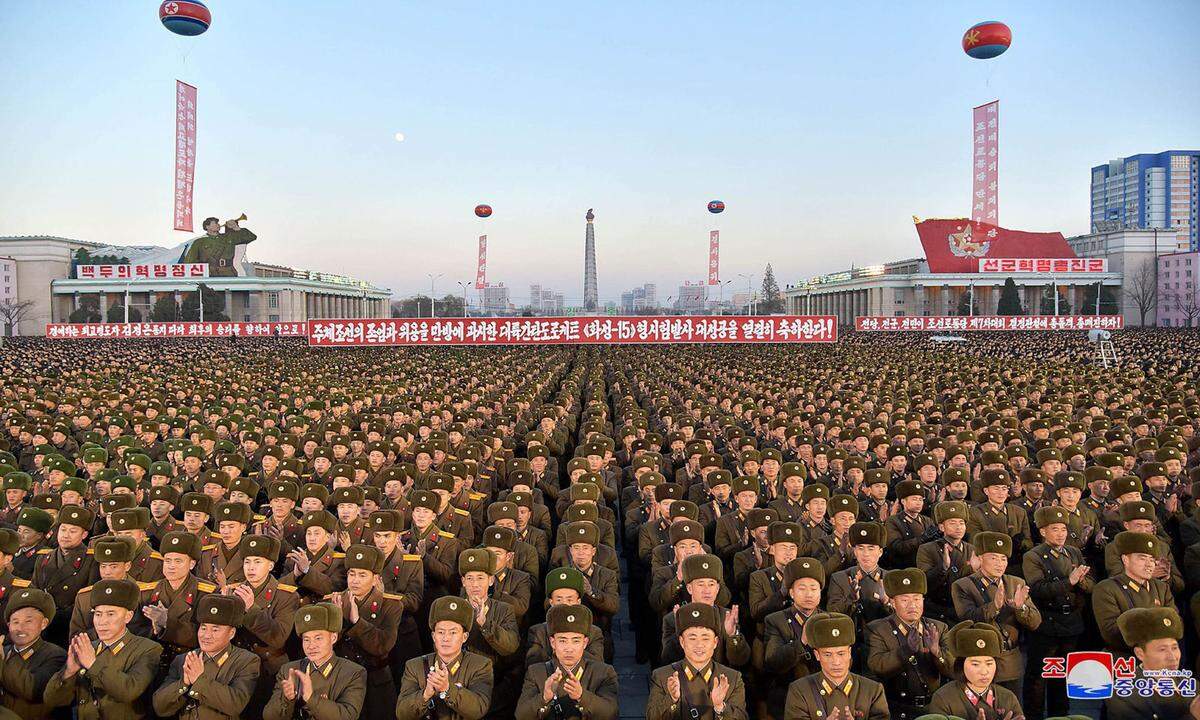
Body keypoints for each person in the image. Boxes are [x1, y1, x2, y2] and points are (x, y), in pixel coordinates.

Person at [43, 578, 164, 720]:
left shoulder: (148, 649)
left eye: (111, 614)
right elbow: (52, 700)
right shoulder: (87, 648)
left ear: (128, 616)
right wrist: (68, 672)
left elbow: (129, 691)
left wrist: (93, 665)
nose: (102, 621)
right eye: (98, 614)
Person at [1021, 505, 1093, 720]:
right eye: (1055, 529)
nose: (1060, 533)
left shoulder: (1074, 552)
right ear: (1043, 531)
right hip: (1046, 622)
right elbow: (1038, 589)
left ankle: (1060, 715)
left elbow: (1090, 585)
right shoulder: (1033, 556)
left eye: (1063, 529)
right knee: (1038, 676)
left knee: (1063, 675)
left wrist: (1081, 582)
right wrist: (1069, 581)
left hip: (1071, 621)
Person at [151, 593, 262, 720]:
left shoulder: (246, 661)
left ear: (231, 633)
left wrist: (199, 680)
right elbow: (160, 707)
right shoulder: (184, 659)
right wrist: (184, 683)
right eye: (203, 628)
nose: (206, 635)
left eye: (215, 630)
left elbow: (235, 704)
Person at [328, 544, 403, 720]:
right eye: (351, 574)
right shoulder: (333, 602)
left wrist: (356, 622)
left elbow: (383, 646)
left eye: (362, 575)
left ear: (376, 578)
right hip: (341, 681)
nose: (355, 580)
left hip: (375, 683)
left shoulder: (391, 605)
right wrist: (338, 621)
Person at [865, 569, 952, 720]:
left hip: (933, 708)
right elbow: (877, 666)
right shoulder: (878, 629)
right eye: (905, 600)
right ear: (892, 602)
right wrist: (906, 651)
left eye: (917, 599)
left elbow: (953, 669)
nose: (912, 605)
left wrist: (937, 652)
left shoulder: (938, 627)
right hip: (898, 710)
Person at [263, 601, 367, 720]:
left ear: (333, 638)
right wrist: (287, 698)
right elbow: (268, 716)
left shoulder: (353, 673)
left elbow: (348, 716)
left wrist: (311, 698)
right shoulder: (289, 670)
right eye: (306, 640)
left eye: (318, 638)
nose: (311, 646)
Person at [396, 595, 493, 720]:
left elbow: (479, 709)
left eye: (453, 632)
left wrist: (447, 689)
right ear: (433, 636)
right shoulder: (415, 666)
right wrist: (425, 695)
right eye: (441, 632)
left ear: (465, 637)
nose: (446, 638)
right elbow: (402, 714)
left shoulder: (480, 665)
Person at [515, 604, 619, 720]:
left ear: (585, 643)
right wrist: (544, 697)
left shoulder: (603, 672)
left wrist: (581, 696)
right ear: (553, 643)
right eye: (563, 641)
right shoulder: (537, 672)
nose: (569, 648)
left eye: (576, 641)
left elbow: (611, 712)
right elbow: (521, 715)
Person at [646, 602, 748, 720]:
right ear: (682, 642)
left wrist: (721, 707)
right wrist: (671, 699)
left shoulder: (732, 678)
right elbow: (651, 717)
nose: (699, 645)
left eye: (705, 638)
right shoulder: (663, 676)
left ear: (715, 642)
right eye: (692, 638)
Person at [783, 611, 889, 720]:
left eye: (841, 653)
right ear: (817, 655)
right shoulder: (800, 691)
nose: (836, 662)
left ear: (849, 652)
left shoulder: (872, 690)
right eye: (828, 654)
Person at [1091, 531, 1175, 653]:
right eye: (1142, 558)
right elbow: (1111, 633)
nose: (1149, 565)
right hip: (1125, 659)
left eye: (1152, 560)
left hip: (1159, 658)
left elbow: (1175, 623)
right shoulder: (1107, 589)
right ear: (1125, 559)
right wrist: (1157, 627)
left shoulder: (1161, 587)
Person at [1106, 606, 1193, 720]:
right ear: (1140, 653)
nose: (1172, 657)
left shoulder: (1192, 685)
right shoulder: (1123, 695)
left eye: (1174, 648)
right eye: (1162, 649)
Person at [926, 622, 1024, 718]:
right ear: (961, 665)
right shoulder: (943, 699)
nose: (984, 671)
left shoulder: (1008, 698)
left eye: (989, 663)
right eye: (975, 664)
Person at [0, 587, 66, 720]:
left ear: (43, 623)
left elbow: (32, 689)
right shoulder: (5, 650)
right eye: (15, 622)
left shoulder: (56, 656)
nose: (20, 628)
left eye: (28, 621)